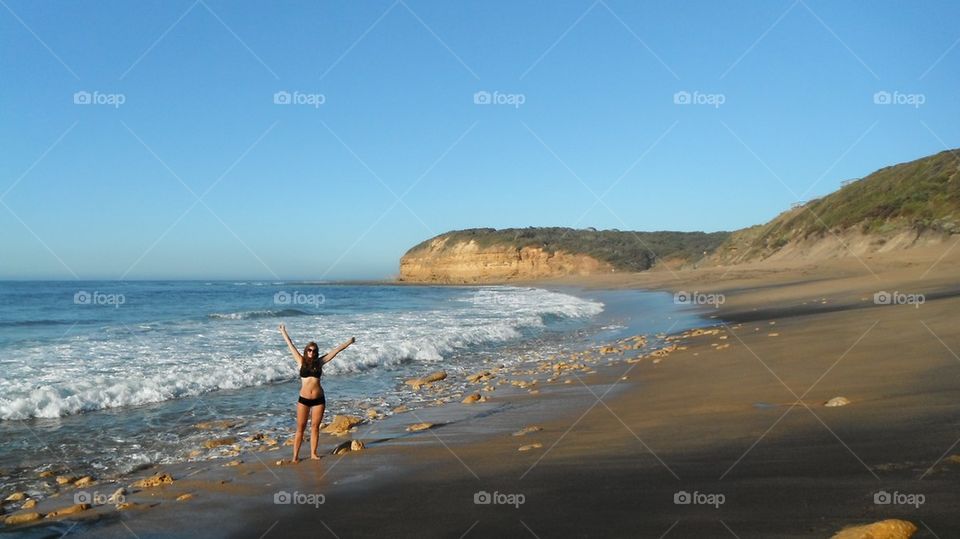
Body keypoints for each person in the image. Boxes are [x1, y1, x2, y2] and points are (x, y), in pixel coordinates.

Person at [279, 323, 355, 462]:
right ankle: (295, 456)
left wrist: (349, 342)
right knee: (300, 428)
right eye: (309, 350)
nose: (311, 352)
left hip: (319, 399)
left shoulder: (320, 362)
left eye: (314, 351)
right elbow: (290, 345)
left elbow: (336, 350)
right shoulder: (300, 361)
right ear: (306, 350)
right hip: (304, 399)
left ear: (316, 352)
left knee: (315, 427)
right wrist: (283, 331)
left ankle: (313, 453)